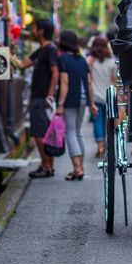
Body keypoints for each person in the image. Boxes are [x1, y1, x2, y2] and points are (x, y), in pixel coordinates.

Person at [12, 18, 59, 178]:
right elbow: (22, 64)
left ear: (41, 31)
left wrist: (50, 95)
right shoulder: (41, 50)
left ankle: (46, 166)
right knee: (42, 133)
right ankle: (47, 166)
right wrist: (6, 54)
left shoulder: (50, 49)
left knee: (40, 134)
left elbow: (55, 72)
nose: (32, 31)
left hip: (42, 98)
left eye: (35, 28)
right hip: (37, 97)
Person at [56, 30, 96, 180]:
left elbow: (64, 83)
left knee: (71, 132)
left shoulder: (63, 59)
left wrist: (60, 104)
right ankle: (81, 167)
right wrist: (92, 103)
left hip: (70, 99)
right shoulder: (82, 60)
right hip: (84, 98)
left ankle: (77, 169)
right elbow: (89, 82)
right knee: (78, 132)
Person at [88, 36, 116, 159]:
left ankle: (100, 145)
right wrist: (120, 98)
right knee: (108, 123)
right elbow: (114, 81)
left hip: (95, 97)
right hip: (109, 96)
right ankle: (107, 143)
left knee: (97, 122)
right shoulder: (112, 62)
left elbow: (88, 81)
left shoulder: (89, 61)